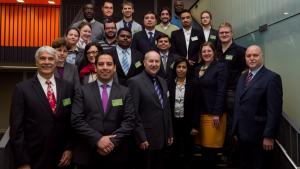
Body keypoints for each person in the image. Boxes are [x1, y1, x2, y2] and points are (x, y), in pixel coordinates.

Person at [9, 46, 74, 169]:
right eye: (42, 58)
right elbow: (16, 129)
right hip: (34, 158)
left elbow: (70, 121)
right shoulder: (22, 89)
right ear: (36, 62)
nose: (47, 62)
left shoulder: (67, 87)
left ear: (56, 62)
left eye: (50, 59)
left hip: (62, 158)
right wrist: (22, 162)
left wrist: (69, 148)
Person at [71, 51, 136, 169]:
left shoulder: (125, 92)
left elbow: (130, 120)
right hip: (88, 153)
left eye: (109, 64)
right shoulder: (82, 91)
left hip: (117, 154)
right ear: (95, 67)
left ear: (115, 67)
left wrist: (112, 142)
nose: (105, 67)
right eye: (101, 64)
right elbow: (76, 120)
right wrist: (98, 139)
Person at [233, 45, 282, 169]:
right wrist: (235, 129)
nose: (251, 58)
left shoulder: (272, 78)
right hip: (242, 136)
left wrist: (269, 136)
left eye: (255, 55)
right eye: (248, 56)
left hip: (259, 138)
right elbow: (239, 103)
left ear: (262, 57)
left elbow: (274, 111)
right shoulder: (242, 77)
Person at [128, 50, 173, 169]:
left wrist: (169, 133)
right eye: (151, 61)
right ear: (144, 62)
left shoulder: (162, 81)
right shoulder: (135, 82)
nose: (154, 64)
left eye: (157, 61)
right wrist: (141, 137)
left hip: (162, 138)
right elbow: (133, 113)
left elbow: (166, 109)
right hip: (146, 139)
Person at [193, 42, 228, 169]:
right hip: (200, 113)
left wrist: (216, 113)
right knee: (202, 147)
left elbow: (221, 91)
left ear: (214, 53)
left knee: (211, 149)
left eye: (209, 51)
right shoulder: (197, 68)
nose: (206, 53)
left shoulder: (220, 67)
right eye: (204, 51)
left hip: (213, 113)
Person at [216, 22, 246, 164]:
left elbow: (247, 70)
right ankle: (221, 149)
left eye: (227, 32)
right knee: (221, 123)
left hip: (232, 93)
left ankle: (231, 153)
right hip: (218, 93)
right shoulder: (215, 51)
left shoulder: (240, 51)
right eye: (221, 32)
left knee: (233, 124)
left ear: (232, 34)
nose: (224, 34)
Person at [168, 57, 195, 169]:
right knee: (174, 148)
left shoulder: (193, 84)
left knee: (188, 148)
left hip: (187, 122)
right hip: (173, 122)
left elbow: (196, 106)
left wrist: (195, 126)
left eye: (184, 67)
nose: (181, 69)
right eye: (178, 67)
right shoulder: (168, 84)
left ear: (187, 69)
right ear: (175, 69)